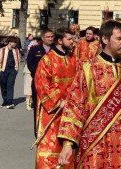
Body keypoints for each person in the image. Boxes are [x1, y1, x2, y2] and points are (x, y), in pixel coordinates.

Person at [57, 20, 121, 169]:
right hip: (94, 142)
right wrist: (68, 143)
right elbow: (75, 106)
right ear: (105, 39)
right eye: (119, 39)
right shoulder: (88, 69)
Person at [34, 28, 77, 169]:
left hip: (70, 111)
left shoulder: (73, 58)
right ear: (60, 41)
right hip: (52, 112)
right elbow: (42, 84)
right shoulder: (47, 59)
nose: (73, 42)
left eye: (73, 39)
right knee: (51, 149)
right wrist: (59, 101)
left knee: (69, 149)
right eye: (69, 39)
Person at [27, 29, 54, 137]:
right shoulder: (35, 50)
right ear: (42, 38)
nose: (51, 39)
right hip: (38, 83)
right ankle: (38, 131)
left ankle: (50, 131)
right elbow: (30, 64)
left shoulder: (55, 50)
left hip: (52, 85)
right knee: (38, 107)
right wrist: (41, 75)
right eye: (48, 37)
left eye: (52, 37)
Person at [0, 36, 21, 109]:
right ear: (10, 43)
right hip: (3, 70)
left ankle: (10, 101)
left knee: (10, 85)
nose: (15, 44)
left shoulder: (16, 50)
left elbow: (18, 60)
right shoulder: (2, 50)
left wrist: (16, 70)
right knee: (3, 86)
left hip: (12, 70)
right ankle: (5, 100)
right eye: (14, 42)